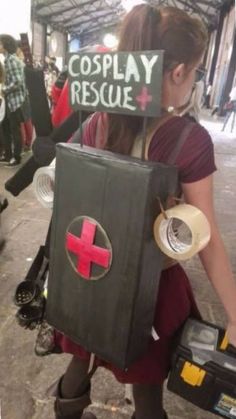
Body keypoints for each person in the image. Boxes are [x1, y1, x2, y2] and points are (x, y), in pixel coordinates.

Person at [50, 6, 236, 419]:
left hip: (90, 275)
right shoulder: (189, 139)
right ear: (177, 72)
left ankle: (65, 411)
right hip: (148, 291)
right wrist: (235, 314)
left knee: (83, 356)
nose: (194, 82)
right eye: (197, 73)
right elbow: (205, 239)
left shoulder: (97, 119)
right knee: (146, 385)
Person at [0, 34, 27, 166]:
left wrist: (3, 89)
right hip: (9, 101)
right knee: (5, 126)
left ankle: (16, 157)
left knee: (14, 129)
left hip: (15, 101)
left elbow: (17, 82)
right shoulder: (7, 59)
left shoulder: (12, 60)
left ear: (5, 45)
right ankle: (8, 155)